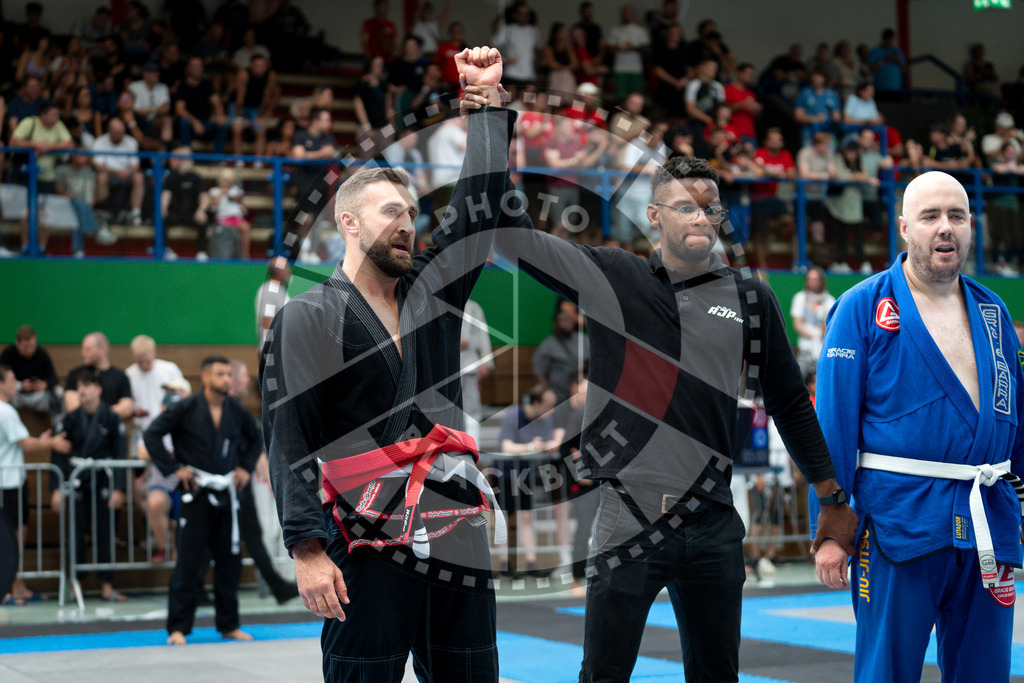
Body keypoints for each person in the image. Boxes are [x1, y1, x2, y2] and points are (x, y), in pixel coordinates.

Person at [462, 73, 858, 682]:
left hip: (714, 521)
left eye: (710, 206)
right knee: (604, 675)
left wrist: (831, 497)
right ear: (653, 215)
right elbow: (508, 232)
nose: (700, 217)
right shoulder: (612, 279)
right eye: (685, 206)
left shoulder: (750, 295)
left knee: (716, 674)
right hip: (628, 517)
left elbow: (788, 402)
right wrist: (490, 118)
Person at [260, 47, 511, 682]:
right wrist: (307, 548)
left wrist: (484, 105)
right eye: (390, 213)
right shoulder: (307, 316)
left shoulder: (434, 289)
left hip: (453, 531)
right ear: (347, 222)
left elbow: (478, 210)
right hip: (363, 536)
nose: (407, 225)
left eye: (412, 214)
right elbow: (288, 436)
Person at [813, 170, 1024, 682]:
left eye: (957, 216)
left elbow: (1015, 420)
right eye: (930, 216)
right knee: (887, 671)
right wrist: (832, 525)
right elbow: (832, 424)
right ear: (905, 227)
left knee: (985, 672)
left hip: (986, 523)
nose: (945, 227)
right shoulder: (862, 306)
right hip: (896, 520)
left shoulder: (993, 311)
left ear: (972, 226)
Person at [143, 355, 259, 646]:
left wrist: (245, 467)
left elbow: (256, 439)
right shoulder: (186, 407)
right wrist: (173, 469)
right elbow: (152, 434)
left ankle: (229, 625)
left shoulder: (236, 410)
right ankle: (178, 628)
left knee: (229, 562)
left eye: (228, 374)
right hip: (195, 493)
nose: (226, 379)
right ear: (205, 378)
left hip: (226, 494)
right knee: (189, 561)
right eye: (220, 374)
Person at [50, 369, 128, 602]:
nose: (82, 390)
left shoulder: (112, 418)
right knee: (76, 534)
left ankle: (107, 584)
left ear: (98, 389)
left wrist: (119, 487)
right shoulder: (70, 420)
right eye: (79, 386)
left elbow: (120, 454)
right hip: (78, 482)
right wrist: (56, 488)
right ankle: (76, 584)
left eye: (87, 385)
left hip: (104, 481)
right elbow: (57, 456)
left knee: (106, 533)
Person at [0, 363, 69, 606]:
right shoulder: (5, 411)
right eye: (11, 380)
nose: (15, 384)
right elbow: (25, 445)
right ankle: (6, 589)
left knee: (16, 536)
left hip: (11, 483)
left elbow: (19, 442)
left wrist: (40, 441)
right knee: (10, 538)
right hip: (6, 485)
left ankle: (16, 586)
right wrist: (52, 445)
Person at [496, 386, 561, 577]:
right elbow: (506, 446)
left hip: (526, 473)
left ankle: (531, 562)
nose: (551, 411)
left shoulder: (545, 419)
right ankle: (504, 564)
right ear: (536, 403)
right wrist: (531, 447)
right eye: (548, 406)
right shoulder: (513, 415)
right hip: (505, 473)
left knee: (526, 517)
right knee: (505, 519)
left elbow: (550, 444)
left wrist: (548, 445)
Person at [9, 100, 73, 254]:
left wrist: (49, 147)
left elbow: (69, 144)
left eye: (58, 115)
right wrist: (35, 144)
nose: (56, 118)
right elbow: (13, 142)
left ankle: (42, 247)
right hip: (27, 173)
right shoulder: (29, 123)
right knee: (26, 211)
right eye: (53, 115)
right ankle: (25, 246)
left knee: (45, 212)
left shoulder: (58, 125)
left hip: (47, 175)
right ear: (43, 115)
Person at [65, 332, 133, 421]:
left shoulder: (120, 376)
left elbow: (126, 408)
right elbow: (72, 406)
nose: (83, 353)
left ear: (102, 350)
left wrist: (100, 413)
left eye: (88, 349)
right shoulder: (76, 374)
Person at [0, 325, 61, 423]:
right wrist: (20, 386)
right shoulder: (8, 354)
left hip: (38, 397)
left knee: (58, 392)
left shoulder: (41, 353)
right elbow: (1, 379)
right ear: (17, 343)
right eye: (25, 347)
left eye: (32, 346)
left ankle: (59, 425)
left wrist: (44, 384)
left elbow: (53, 378)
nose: (29, 350)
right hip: (16, 396)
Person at [92, 117, 145, 227]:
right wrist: (116, 172)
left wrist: (127, 172)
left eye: (122, 132)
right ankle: (104, 213)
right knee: (102, 177)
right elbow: (99, 166)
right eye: (118, 133)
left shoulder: (131, 141)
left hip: (127, 174)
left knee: (139, 177)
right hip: (110, 174)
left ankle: (136, 214)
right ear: (109, 131)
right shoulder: (99, 142)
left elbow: (135, 166)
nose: (121, 135)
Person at [790, 267, 834, 381]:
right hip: (805, 350)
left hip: (823, 350)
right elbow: (797, 325)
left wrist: (821, 338)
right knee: (797, 379)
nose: (812, 282)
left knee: (824, 379)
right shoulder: (800, 298)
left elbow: (829, 326)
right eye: (810, 279)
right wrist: (814, 336)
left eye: (815, 279)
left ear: (821, 281)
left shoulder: (829, 300)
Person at [460, 298, 493, 446]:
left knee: (472, 411)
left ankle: (474, 449)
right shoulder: (438, 304)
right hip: (445, 369)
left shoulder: (473, 307)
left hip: (469, 366)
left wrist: (486, 362)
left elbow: (482, 335)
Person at [255, 256, 291, 351]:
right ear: (279, 271)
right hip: (272, 349)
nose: (289, 271)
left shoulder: (280, 289)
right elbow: (267, 320)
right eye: (286, 268)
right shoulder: (270, 290)